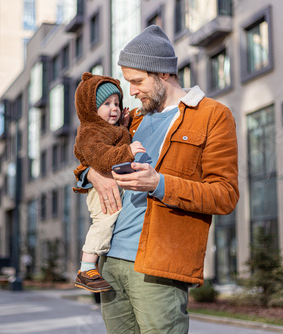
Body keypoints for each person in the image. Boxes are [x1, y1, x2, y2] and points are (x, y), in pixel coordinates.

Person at [73, 25, 239, 333]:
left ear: (163, 74)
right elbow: (89, 154)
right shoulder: (131, 119)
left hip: (158, 267)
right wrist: (92, 174)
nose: (132, 92)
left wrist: (158, 184)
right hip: (109, 262)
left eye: (137, 81)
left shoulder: (213, 115)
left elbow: (225, 194)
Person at [73, 72, 146, 293]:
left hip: (112, 185)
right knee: (104, 220)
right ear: (90, 108)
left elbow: (115, 144)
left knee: (109, 220)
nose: (114, 108)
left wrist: (123, 127)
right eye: (106, 104)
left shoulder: (108, 128)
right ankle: (86, 268)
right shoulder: (89, 131)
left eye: (116, 102)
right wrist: (128, 150)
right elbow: (102, 158)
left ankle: (91, 265)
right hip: (100, 190)